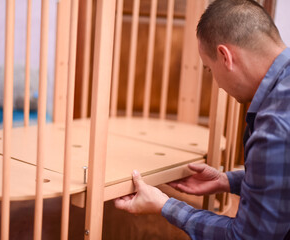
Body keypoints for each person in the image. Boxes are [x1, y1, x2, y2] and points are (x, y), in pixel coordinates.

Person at [114, 0, 290, 239]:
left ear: (225, 56)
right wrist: (226, 180)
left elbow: (248, 237)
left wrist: (166, 206)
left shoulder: (274, 128)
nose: (216, 81)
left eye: (209, 69)